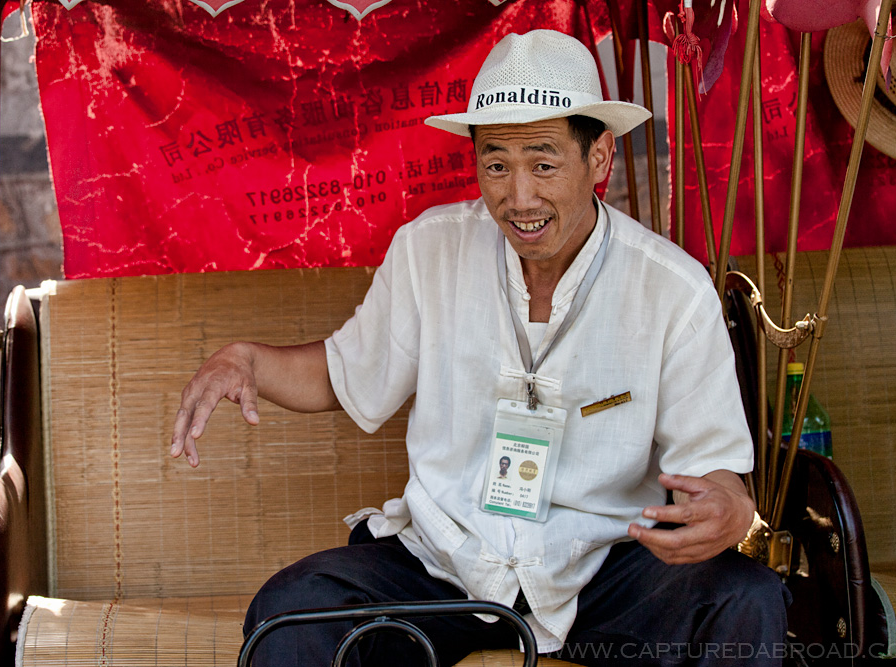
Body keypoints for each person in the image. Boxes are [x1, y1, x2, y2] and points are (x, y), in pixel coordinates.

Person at [171, 29, 788, 666]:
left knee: (743, 600)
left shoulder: (673, 290)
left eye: (544, 163)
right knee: (292, 612)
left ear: (599, 157)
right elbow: (341, 373)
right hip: (445, 563)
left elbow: (712, 473)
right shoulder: (427, 250)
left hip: (603, 569)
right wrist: (246, 359)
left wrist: (729, 507)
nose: (519, 198)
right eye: (497, 164)